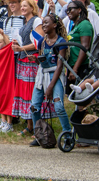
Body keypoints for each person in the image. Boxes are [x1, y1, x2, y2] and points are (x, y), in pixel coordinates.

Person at [30, 14, 71, 146]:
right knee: (34, 107)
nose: (44, 25)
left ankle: (68, 134)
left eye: (47, 23)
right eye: (43, 23)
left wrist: (50, 87)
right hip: (42, 75)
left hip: (55, 75)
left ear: (54, 25)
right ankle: (39, 134)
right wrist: (36, 60)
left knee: (58, 106)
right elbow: (43, 61)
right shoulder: (42, 41)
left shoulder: (61, 43)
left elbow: (60, 65)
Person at [11, 0, 44, 136]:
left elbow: (39, 42)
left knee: (31, 92)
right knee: (25, 92)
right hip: (23, 60)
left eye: (25, 6)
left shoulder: (37, 21)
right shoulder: (25, 22)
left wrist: (21, 47)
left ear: (32, 7)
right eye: (22, 6)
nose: (22, 8)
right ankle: (29, 125)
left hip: (32, 60)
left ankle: (36, 125)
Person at [64, 0, 94, 86]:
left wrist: (75, 69)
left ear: (79, 10)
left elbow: (85, 47)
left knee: (82, 96)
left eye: (70, 9)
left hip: (81, 66)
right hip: (72, 65)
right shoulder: (75, 26)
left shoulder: (84, 24)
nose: (68, 12)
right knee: (73, 96)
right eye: (67, 10)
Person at [0, 30, 14, 133]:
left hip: (8, 79)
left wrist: (4, 35)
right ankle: (3, 121)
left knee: (8, 99)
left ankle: (9, 123)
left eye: (0, 42)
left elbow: (10, 44)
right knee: (0, 98)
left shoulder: (8, 50)